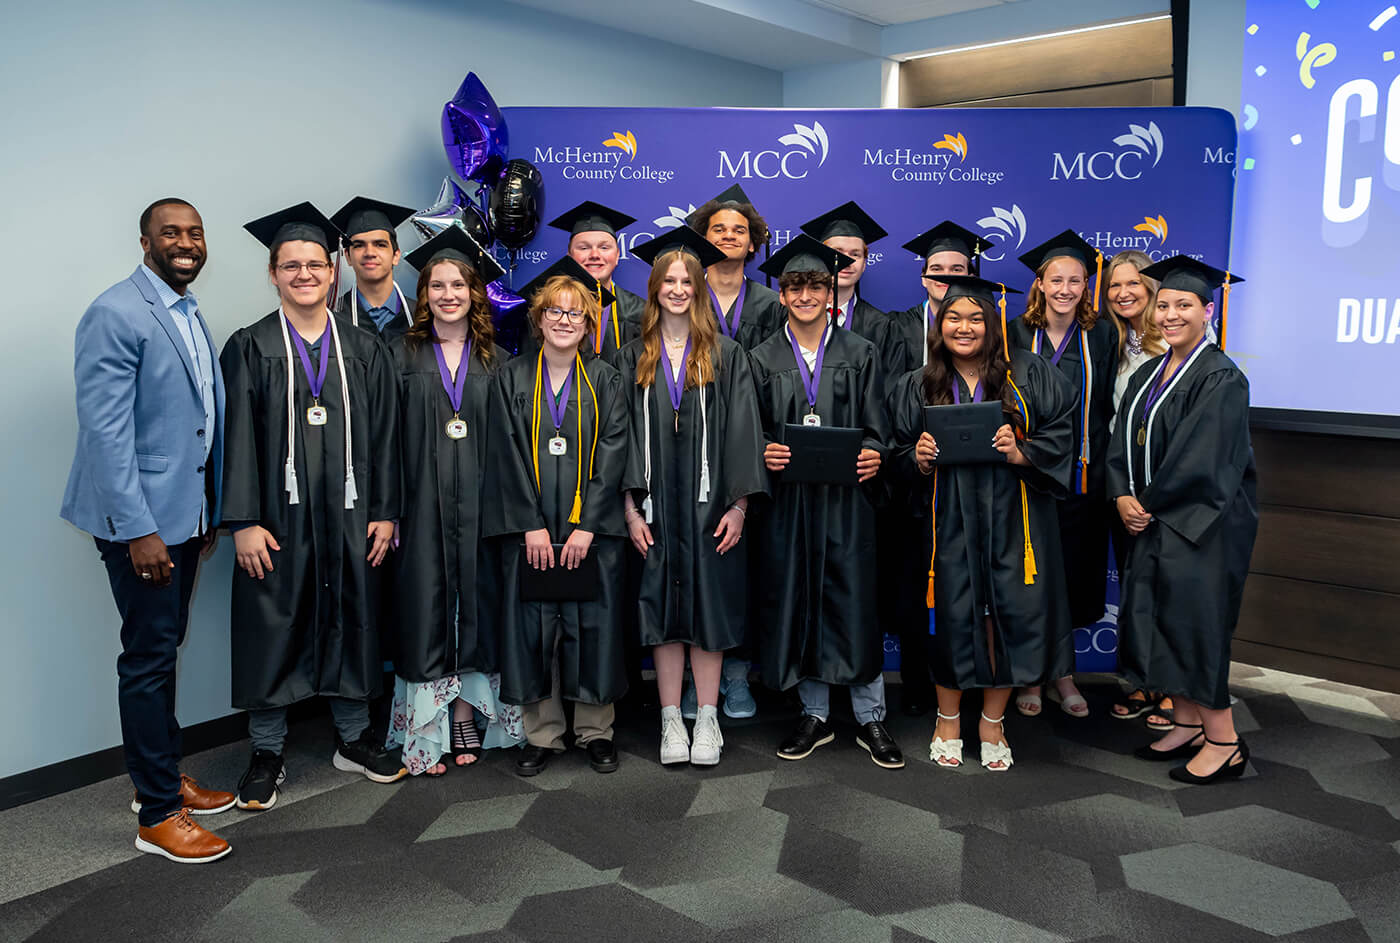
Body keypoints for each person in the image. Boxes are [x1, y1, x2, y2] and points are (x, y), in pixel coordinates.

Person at [61, 197, 233, 863]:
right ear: (145, 240)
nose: (185, 242)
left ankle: (158, 780)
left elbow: (191, 421)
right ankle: (158, 814)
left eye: (194, 232)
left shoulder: (186, 310)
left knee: (165, 648)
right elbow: (105, 432)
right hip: (142, 525)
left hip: (183, 518)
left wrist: (205, 513)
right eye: (172, 232)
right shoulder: (117, 311)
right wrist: (139, 531)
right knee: (149, 656)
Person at [220, 202, 405, 811]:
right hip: (277, 516)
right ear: (272, 275)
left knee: (353, 611)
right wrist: (244, 521)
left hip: (352, 513)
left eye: (314, 265)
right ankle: (267, 751)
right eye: (289, 265)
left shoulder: (364, 348)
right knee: (273, 619)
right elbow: (236, 439)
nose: (304, 274)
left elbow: (385, 435)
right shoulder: (250, 345)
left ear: (333, 272)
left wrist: (385, 510)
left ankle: (353, 739)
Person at [887, 275, 1075, 771]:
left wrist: (1022, 452)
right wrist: (918, 458)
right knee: (951, 617)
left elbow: (1062, 437)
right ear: (939, 324)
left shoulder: (1030, 375)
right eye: (953, 318)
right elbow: (893, 454)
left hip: (1015, 519)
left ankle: (993, 721)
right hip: (947, 520)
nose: (964, 327)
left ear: (993, 324)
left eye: (976, 318)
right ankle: (947, 717)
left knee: (1008, 617)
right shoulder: (918, 382)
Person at [748, 234, 903, 770]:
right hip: (791, 505)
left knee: (855, 600)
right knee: (803, 599)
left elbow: (879, 427)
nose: (806, 295)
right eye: (795, 286)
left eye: (816, 284)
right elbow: (752, 432)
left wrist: (873, 451)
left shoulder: (861, 352)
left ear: (830, 291)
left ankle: (870, 716)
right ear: (783, 294)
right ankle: (813, 714)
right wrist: (763, 451)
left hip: (847, 502)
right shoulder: (761, 357)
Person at [619, 226, 767, 766]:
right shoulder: (631, 357)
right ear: (655, 288)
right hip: (655, 509)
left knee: (709, 606)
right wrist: (629, 509)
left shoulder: (727, 355)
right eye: (668, 281)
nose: (678, 289)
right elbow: (622, 440)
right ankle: (669, 721)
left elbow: (745, 433)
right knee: (660, 608)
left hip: (710, 509)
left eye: (687, 280)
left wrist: (739, 504)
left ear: (700, 287)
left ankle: (707, 718)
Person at [1109, 256, 1257, 784]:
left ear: (1207, 310)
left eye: (1184, 306)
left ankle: (1225, 741)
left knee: (1197, 627)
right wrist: (1121, 493)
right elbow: (1120, 440)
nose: (1171, 315)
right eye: (1165, 305)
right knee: (1167, 622)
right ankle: (1190, 722)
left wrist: (1145, 502)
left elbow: (1203, 459)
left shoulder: (1221, 378)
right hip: (1155, 517)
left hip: (1201, 523)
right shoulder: (1151, 371)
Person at [384, 226, 523, 776]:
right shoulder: (399, 356)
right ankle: (427, 725)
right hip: (421, 507)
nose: (447, 294)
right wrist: (389, 510)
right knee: (427, 610)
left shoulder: (500, 359)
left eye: (458, 285)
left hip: (484, 508)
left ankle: (465, 713)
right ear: (424, 296)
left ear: (474, 294)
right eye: (436, 286)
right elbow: (384, 440)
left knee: (479, 608)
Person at [484, 272, 630, 778]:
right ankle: (543, 733)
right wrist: (529, 524)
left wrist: (589, 524)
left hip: (593, 533)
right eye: (554, 311)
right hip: (532, 531)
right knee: (533, 628)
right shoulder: (513, 377)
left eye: (575, 313)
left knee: (594, 626)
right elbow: (503, 452)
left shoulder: (608, 379)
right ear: (539, 318)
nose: (564, 321)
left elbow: (615, 451)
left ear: (590, 324)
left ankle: (595, 731)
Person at [1007, 229, 1119, 720]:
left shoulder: (1102, 336)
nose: (1067, 289)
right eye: (1057, 279)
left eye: (1076, 280)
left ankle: (1063, 673)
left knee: (1072, 574)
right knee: (1033, 579)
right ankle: (1030, 672)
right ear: (1040, 283)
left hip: (1081, 476)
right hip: (1028, 476)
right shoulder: (1014, 332)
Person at [687, 183, 784, 718]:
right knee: (691, 564)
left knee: (743, 567)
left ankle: (737, 674)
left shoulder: (771, 303)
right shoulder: (681, 292)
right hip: (686, 450)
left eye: (739, 230)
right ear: (703, 238)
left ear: (754, 243)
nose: (728, 236)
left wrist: (766, 445)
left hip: (754, 449)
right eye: (718, 228)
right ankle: (689, 674)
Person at [1101, 250, 1173, 730]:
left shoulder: (1170, 342)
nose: (1124, 293)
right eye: (1113, 286)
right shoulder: (1114, 342)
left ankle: (1173, 688)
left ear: (1151, 290)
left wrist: (1151, 494)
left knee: (1167, 589)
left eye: (1134, 285)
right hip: (1122, 481)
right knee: (1135, 587)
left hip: (1162, 486)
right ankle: (1143, 679)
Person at [799, 201, 907, 376]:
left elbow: (889, 390)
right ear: (820, 257)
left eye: (855, 254)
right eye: (837, 252)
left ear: (864, 263)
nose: (846, 261)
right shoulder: (793, 317)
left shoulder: (882, 327)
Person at [547, 200, 645, 366]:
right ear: (569, 256)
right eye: (584, 248)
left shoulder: (640, 311)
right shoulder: (548, 312)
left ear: (617, 255)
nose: (594, 255)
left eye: (604, 248)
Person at [887, 221, 991, 374]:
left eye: (956, 269)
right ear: (923, 278)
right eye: (937, 269)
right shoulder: (897, 327)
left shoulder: (986, 326)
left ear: (971, 277)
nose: (945, 276)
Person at [330, 196, 417, 340]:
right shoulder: (332, 318)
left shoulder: (422, 317)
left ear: (396, 256)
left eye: (380, 244)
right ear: (348, 256)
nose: (369, 253)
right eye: (359, 245)